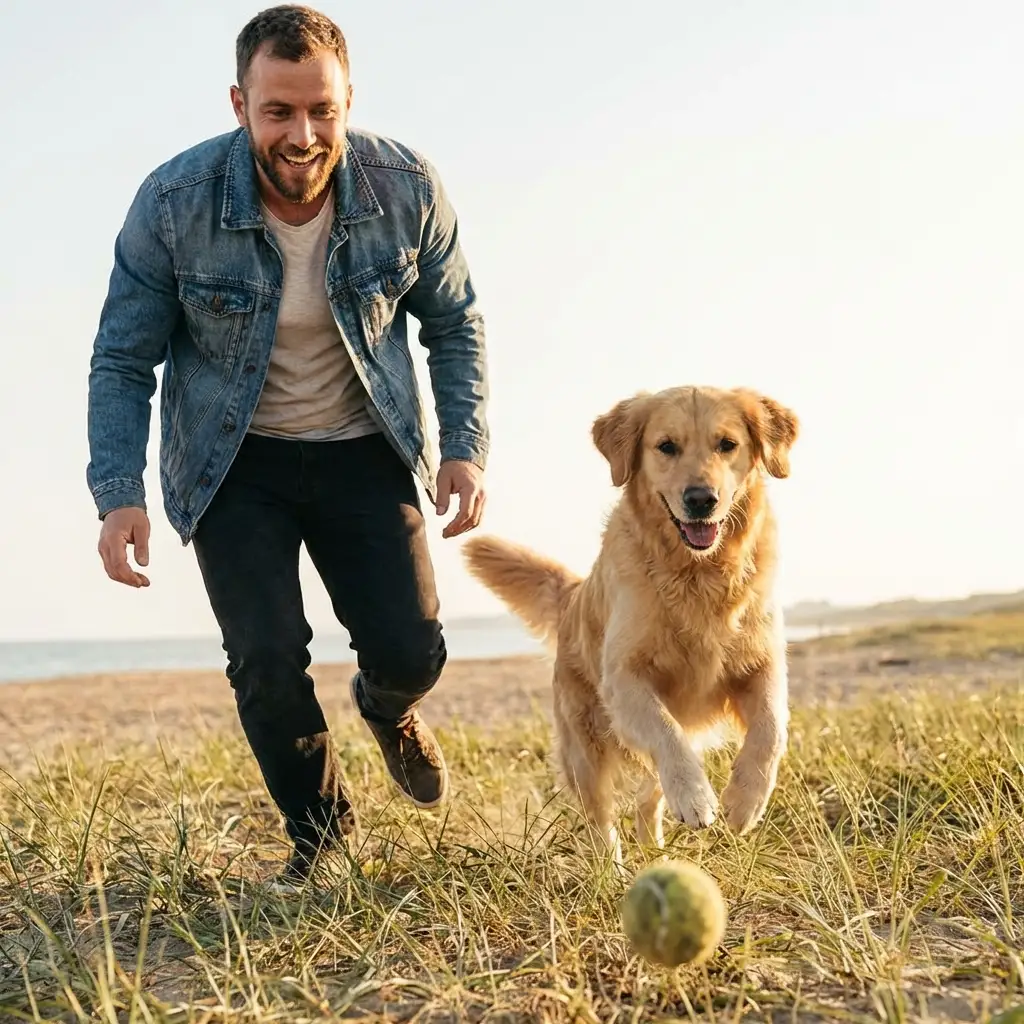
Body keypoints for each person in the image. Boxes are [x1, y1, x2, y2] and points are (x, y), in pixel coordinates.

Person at [86, 4, 489, 889]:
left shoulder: (405, 186)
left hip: (363, 446)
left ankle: (386, 709)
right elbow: (122, 360)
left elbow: (453, 323)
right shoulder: (172, 204)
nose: (303, 135)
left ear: (347, 101)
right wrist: (118, 493)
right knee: (266, 660)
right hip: (235, 463)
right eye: (279, 112)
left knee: (412, 651)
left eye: (322, 112)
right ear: (240, 104)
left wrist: (462, 443)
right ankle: (322, 837)